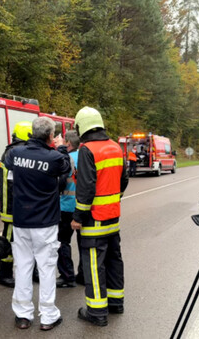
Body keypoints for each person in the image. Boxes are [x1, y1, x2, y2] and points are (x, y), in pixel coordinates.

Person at [3, 116, 70, 331]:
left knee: (22, 266)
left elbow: (6, 159)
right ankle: (48, 315)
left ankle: (23, 315)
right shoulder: (54, 157)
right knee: (47, 267)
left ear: (32, 133)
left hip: (21, 220)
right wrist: (61, 148)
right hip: (46, 222)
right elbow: (66, 169)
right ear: (51, 136)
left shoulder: (16, 153)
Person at [71, 106, 129, 327]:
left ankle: (96, 312)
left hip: (94, 220)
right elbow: (124, 180)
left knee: (94, 265)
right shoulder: (114, 147)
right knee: (114, 259)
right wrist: (114, 198)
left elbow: (85, 187)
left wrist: (78, 216)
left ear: (81, 126)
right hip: (113, 217)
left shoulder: (87, 150)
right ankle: (116, 303)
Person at [0, 121, 32, 288]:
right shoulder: (16, 152)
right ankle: (4, 273)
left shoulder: (12, 150)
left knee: (16, 239)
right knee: (9, 240)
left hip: (12, 203)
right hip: (11, 205)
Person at [57, 130, 82, 288]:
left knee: (62, 242)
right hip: (83, 207)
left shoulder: (65, 159)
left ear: (68, 144)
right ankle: (84, 274)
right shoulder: (85, 156)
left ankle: (67, 276)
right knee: (84, 243)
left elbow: (59, 183)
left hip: (66, 206)